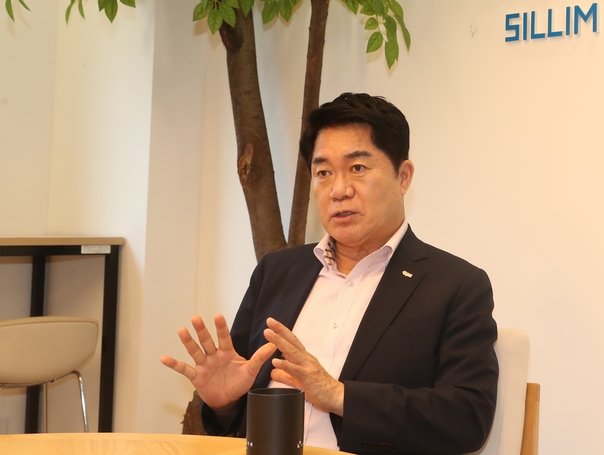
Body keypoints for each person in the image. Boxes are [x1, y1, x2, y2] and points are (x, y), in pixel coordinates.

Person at [161, 93, 498, 455]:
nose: (339, 190)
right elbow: (236, 403)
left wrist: (340, 396)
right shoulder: (278, 271)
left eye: (358, 168)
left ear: (403, 176)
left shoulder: (455, 286)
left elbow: (467, 418)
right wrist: (225, 403)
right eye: (323, 173)